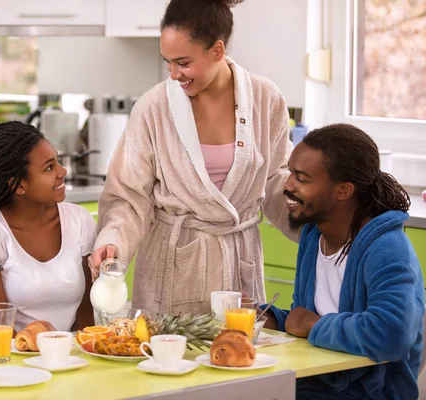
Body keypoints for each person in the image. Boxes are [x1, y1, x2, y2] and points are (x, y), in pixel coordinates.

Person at [88, 0, 297, 314]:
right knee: (167, 359)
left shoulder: (266, 100)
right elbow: (129, 196)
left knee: (236, 355)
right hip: (172, 269)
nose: (174, 75)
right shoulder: (153, 107)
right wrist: (113, 241)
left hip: (237, 265)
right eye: (167, 62)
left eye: (183, 63)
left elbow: (278, 179)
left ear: (217, 50)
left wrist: (319, 225)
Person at [263, 123, 423, 400]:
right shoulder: (314, 236)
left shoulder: (386, 247)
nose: (287, 185)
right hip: (314, 382)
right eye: (290, 173)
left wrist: (312, 325)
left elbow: (392, 334)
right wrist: (272, 319)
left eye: (302, 178)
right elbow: (321, 318)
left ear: (343, 190)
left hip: (370, 393)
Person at [0, 121, 96, 344]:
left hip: (63, 359)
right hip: (4, 360)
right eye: (49, 167)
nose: (62, 171)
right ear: (18, 185)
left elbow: (86, 317)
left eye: (57, 161)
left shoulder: (79, 220)